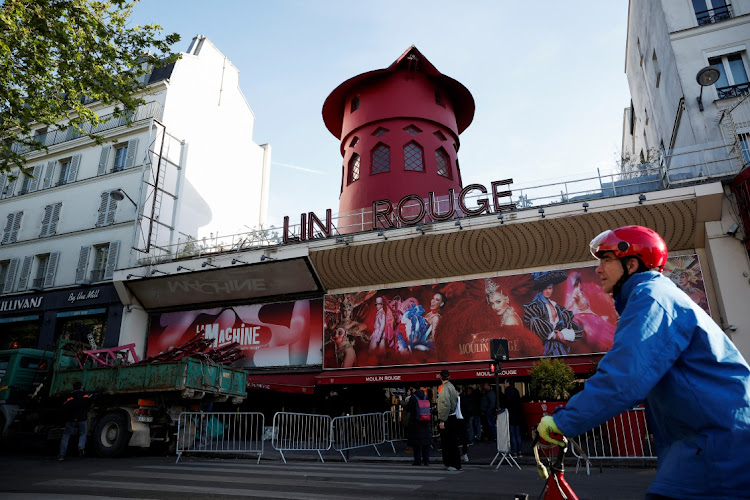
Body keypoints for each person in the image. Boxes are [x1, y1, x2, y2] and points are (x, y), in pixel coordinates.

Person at [537, 225, 750, 499]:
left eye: (606, 260)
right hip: (709, 444)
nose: (598, 269)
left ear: (632, 264)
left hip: (719, 449)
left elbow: (624, 378)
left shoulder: (651, 298)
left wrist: (562, 421)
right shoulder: (654, 295)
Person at [523, 270, 583, 356]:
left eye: (550, 288)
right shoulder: (534, 307)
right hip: (541, 349)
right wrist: (552, 335)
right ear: (540, 290)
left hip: (559, 349)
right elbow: (532, 323)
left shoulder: (559, 309)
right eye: (545, 288)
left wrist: (562, 334)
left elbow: (578, 330)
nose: (548, 291)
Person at [57, 381, 96, 461]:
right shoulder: (85, 394)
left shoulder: (70, 396)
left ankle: (61, 455)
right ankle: (81, 447)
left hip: (71, 419)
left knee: (66, 436)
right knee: (83, 434)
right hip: (82, 419)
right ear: (81, 387)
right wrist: (99, 392)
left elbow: (64, 406)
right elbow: (92, 396)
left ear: (73, 387)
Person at [437, 369, 461, 471]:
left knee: (447, 442)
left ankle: (451, 463)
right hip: (453, 416)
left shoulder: (443, 388)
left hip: (447, 417)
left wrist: (442, 420)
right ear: (449, 376)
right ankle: (455, 463)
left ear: (440, 377)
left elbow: (444, 404)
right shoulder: (451, 386)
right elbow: (454, 401)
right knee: (453, 442)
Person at [406, 387, 433, 466]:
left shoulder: (413, 398)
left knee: (417, 443)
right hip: (425, 421)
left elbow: (408, 408)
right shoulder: (425, 397)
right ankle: (426, 460)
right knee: (425, 443)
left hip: (416, 422)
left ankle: (417, 460)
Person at [503, 379, 523, 458]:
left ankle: (514, 451)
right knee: (517, 434)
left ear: (508, 383)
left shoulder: (508, 391)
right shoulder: (516, 391)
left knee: (512, 434)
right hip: (517, 415)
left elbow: (506, 402)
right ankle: (519, 451)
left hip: (510, 415)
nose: (504, 384)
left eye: (505, 383)